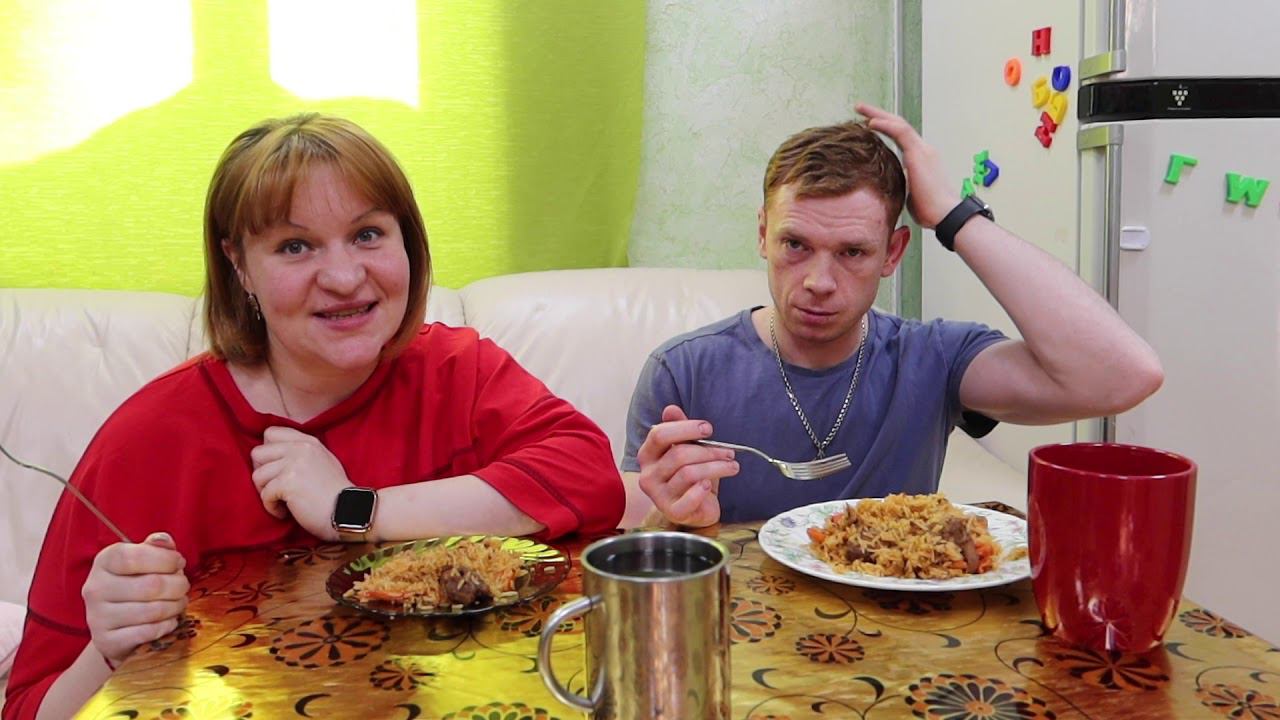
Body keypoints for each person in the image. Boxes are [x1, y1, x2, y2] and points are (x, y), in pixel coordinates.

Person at [4, 114, 624, 719]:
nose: (345, 277)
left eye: (368, 234)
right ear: (238, 265)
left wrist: (351, 509)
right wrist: (109, 650)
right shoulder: (149, 440)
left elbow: (589, 475)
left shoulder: (458, 370)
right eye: (294, 246)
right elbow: (30, 707)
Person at [623, 103, 1163, 528]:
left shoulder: (933, 359)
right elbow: (631, 537)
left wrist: (953, 215)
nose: (818, 281)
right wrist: (677, 521)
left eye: (852, 252)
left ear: (893, 253)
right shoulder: (683, 371)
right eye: (795, 244)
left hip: (901, 630)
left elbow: (1126, 375)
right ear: (764, 234)